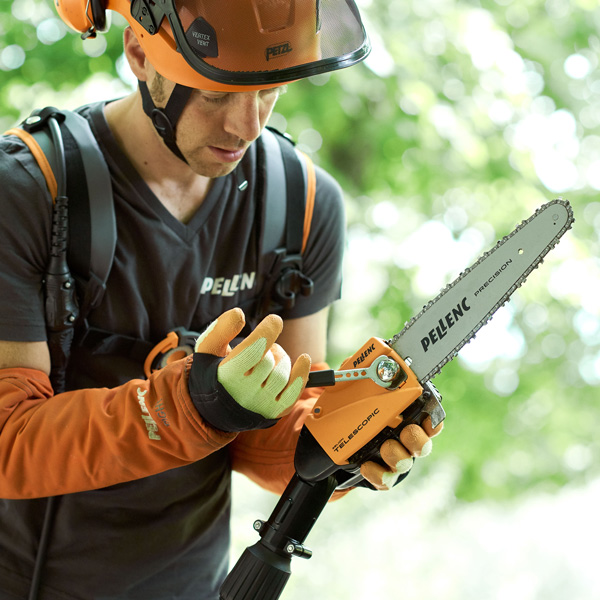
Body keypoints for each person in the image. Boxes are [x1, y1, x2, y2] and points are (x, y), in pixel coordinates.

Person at [0, 0, 443, 598]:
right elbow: (10, 441)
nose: (247, 125)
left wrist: (350, 442)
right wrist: (195, 405)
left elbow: (272, 448)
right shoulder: (29, 193)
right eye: (216, 94)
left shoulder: (302, 206)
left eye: (270, 91)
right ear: (139, 54)